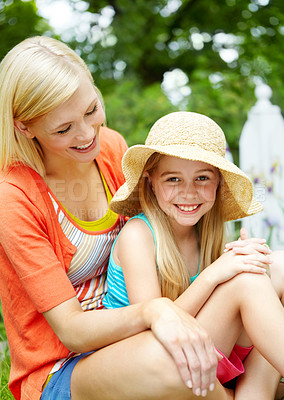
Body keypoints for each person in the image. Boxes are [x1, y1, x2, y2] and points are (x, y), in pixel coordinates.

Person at [0, 35, 247, 400]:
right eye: (63, 129)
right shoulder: (14, 196)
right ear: (24, 127)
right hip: (65, 369)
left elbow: (167, 226)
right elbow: (71, 330)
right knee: (175, 364)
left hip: (135, 337)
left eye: (91, 110)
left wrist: (222, 259)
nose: (86, 135)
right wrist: (153, 311)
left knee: (258, 279)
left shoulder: (110, 147)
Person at [103, 111, 284, 398]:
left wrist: (250, 264)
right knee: (247, 281)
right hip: (148, 361)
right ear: (150, 182)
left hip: (198, 352)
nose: (189, 193)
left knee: (276, 264)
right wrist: (216, 273)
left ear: (218, 184)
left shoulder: (206, 233)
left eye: (202, 178)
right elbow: (154, 325)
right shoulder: (138, 235)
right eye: (173, 179)